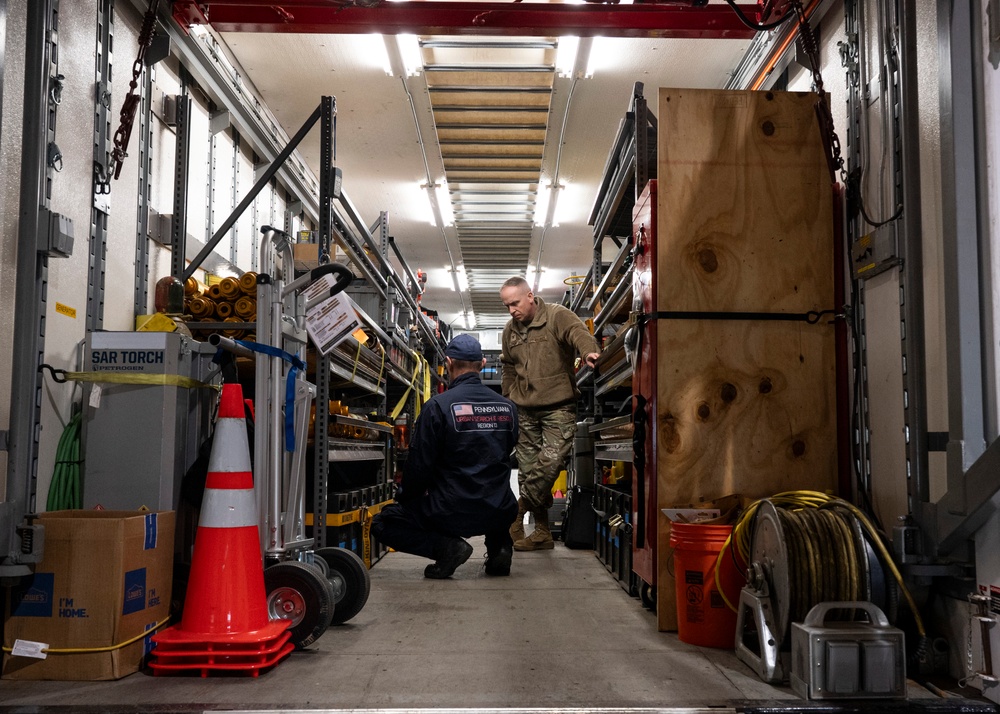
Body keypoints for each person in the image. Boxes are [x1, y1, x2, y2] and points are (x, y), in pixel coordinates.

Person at [371, 333, 519, 579]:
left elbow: (419, 467)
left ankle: (448, 548)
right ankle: (500, 547)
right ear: (482, 364)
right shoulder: (507, 407)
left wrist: (406, 499)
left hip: (451, 512)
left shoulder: (437, 406)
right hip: (499, 509)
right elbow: (509, 452)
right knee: (496, 495)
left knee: (382, 523)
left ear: (448, 363)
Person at [499, 276, 600, 552]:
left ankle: (517, 514)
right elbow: (507, 365)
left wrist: (589, 351)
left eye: (515, 303)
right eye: (507, 306)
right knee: (529, 470)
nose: (512, 311)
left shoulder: (557, 316)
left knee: (550, 464)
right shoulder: (510, 331)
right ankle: (542, 532)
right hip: (525, 409)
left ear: (530, 296)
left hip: (558, 406)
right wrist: (509, 397)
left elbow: (578, 333)